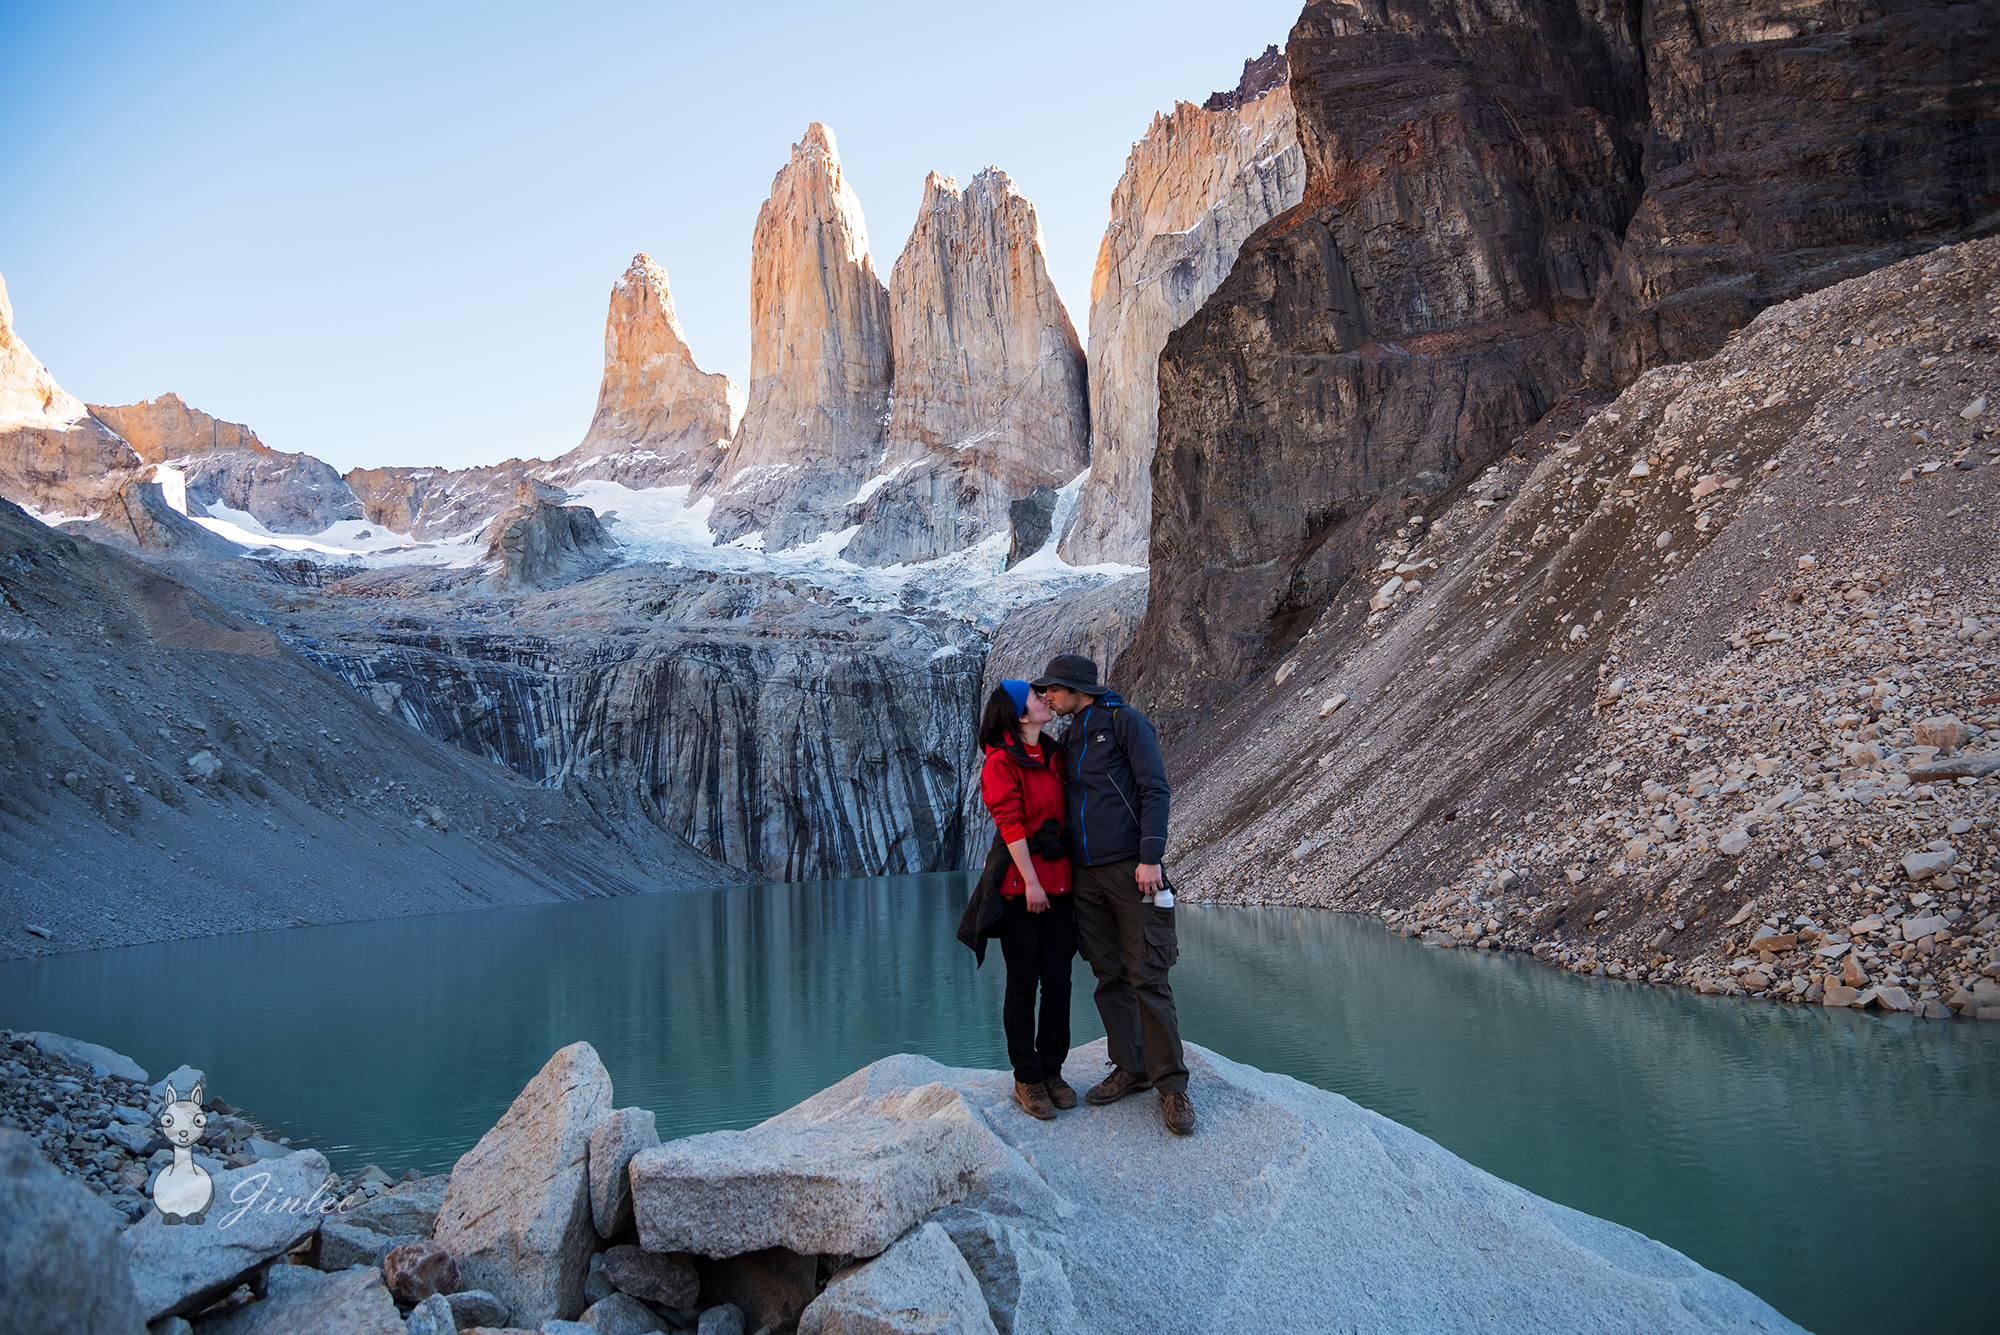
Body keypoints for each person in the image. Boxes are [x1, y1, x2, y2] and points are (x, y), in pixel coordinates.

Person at [1030, 653, 1194, 1136]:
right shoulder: (1069, 735)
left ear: (1078, 688)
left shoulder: (1125, 722)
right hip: (1085, 875)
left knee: (1148, 975)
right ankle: (1131, 1066)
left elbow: (1154, 789)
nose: (1047, 697)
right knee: (1108, 973)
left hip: (1130, 868)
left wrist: (1150, 856)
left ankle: (1172, 1087)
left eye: (1053, 690)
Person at [974, 678, 1077, 1121]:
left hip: (1061, 881)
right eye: (1037, 697)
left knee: (1059, 979)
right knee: (1023, 980)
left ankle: (1052, 1070)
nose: (1045, 700)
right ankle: (1027, 1077)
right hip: (1023, 886)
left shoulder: (1053, 754)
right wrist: (1031, 882)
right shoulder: (1000, 761)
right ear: (1020, 715)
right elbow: (1010, 824)